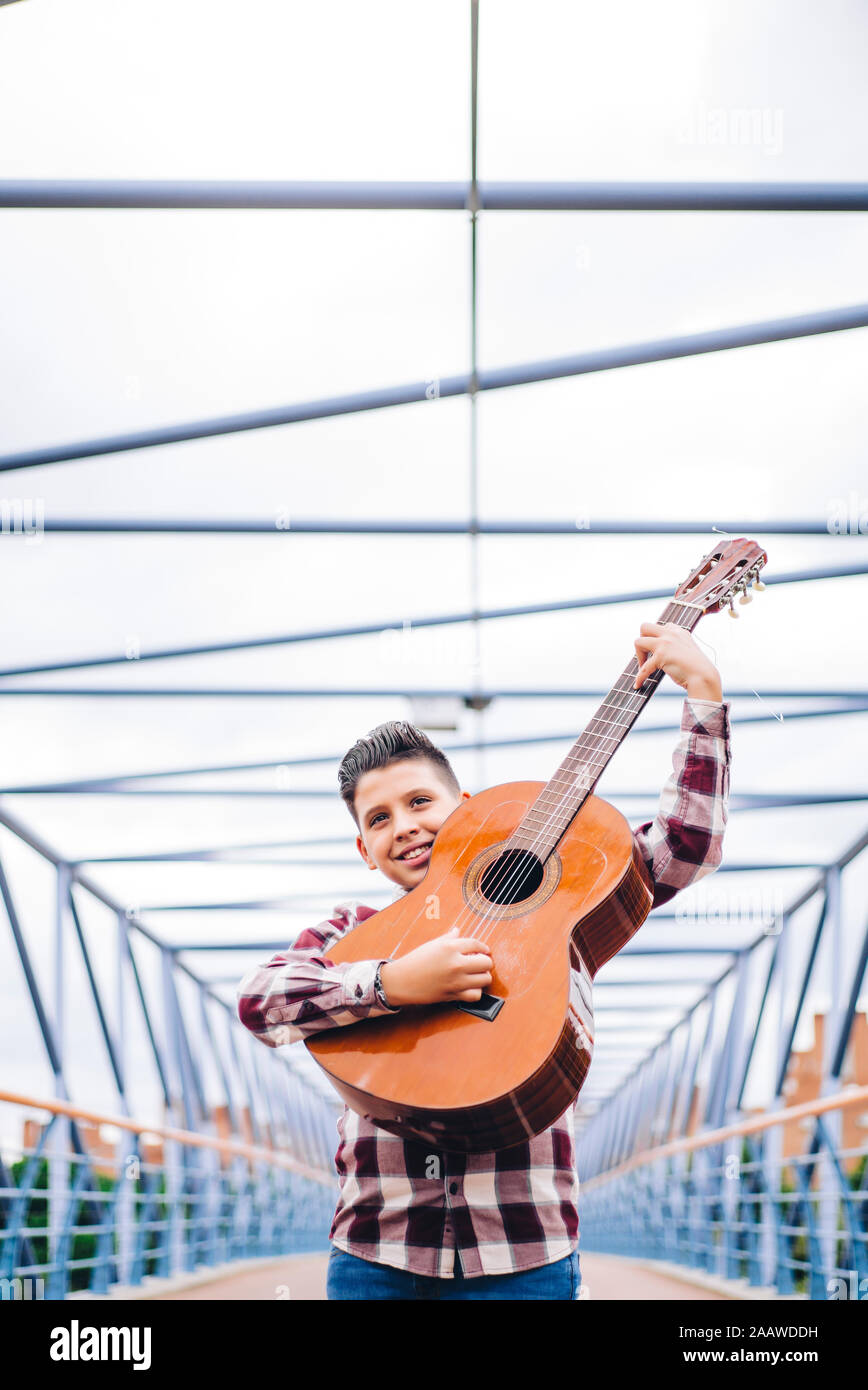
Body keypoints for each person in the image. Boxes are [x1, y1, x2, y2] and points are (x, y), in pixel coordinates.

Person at [237, 620, 731, 1300]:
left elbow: (684, 847)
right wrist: (392, 984)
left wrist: (703, 696)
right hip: (377, 1251)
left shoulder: (563, 906)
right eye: (377, 819)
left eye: (418, 802)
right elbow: (260, 1005)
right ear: (363, 849)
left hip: (525, 1251)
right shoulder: (351, 934)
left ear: (466, 811)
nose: (403, 825)